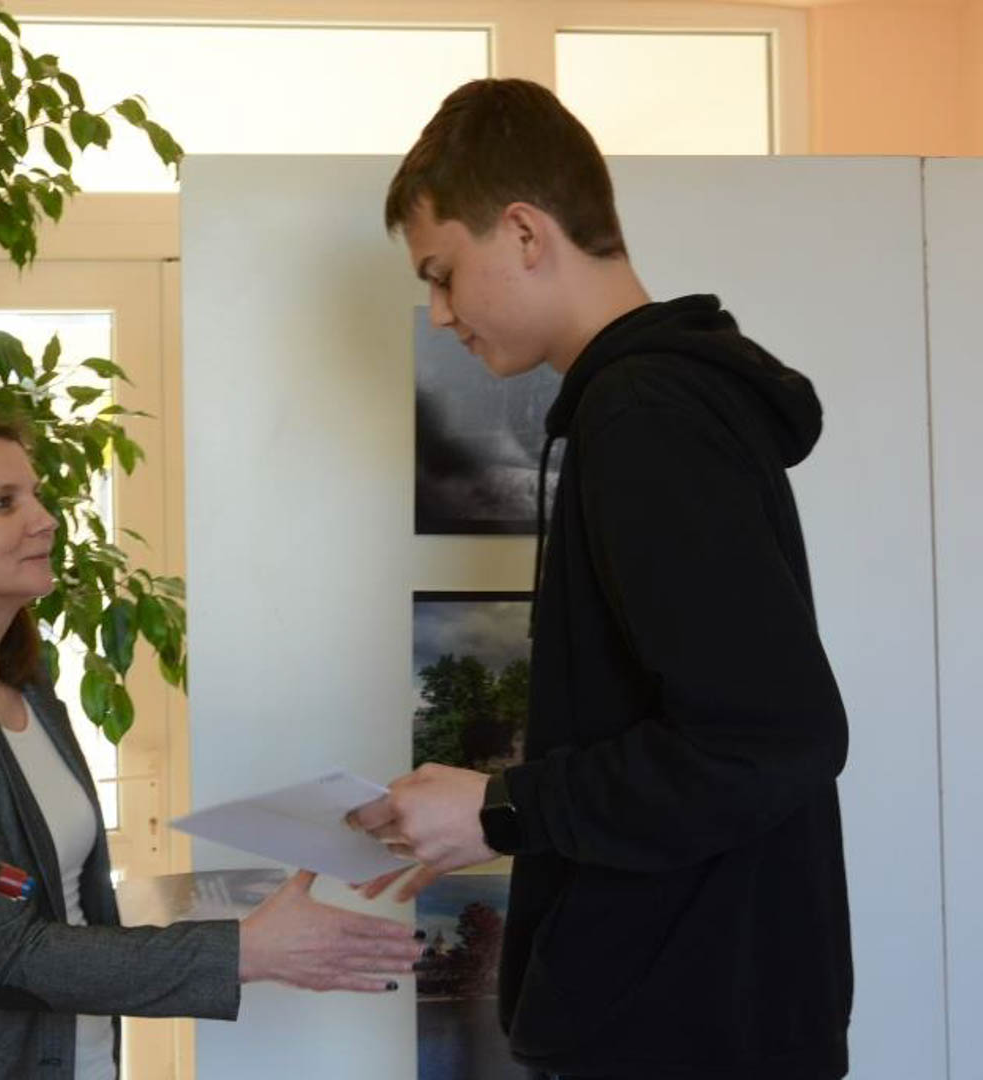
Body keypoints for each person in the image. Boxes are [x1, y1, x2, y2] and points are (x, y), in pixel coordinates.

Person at [349, 79, 852, 1080]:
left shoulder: (644, 416)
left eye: (442, 275)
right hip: (702, 1015)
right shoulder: (654, 406)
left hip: (687, 1034)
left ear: (523, 232)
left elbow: (772, 739)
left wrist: (501, 807)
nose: (438, 315)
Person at [0, 416, 423, 1080]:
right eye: (3, 503)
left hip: (76, 1058)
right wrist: (246, 950)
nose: (45, 520)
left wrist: (232, 895)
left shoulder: (27, 687)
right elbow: (10, 954)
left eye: (35, 495)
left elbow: (60, 900)